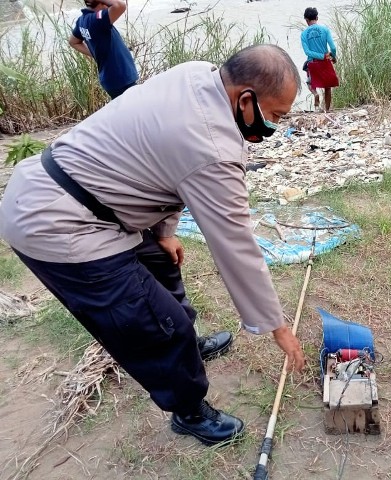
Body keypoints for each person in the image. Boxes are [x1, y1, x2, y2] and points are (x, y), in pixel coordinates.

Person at [0, 44, 306, 446]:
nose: (275, 126)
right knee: (156, 323)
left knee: (163, 267)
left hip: (91, 196)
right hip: (58, 222)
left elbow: (160, 160)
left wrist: (164, 232)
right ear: (246, 98)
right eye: (276, 115)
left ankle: (186, 348)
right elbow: (236, 244)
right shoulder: (212, 147)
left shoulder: (197, 75)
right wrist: (276, 325)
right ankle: (189, 410)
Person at [69, 0, 139, 99]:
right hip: (120, 78)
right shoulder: (97, 19)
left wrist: (95, 54)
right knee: (134, 110)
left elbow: (73, 42)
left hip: (112, 78)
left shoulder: (82, 21)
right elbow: (120, 6)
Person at [301, 7, 338, 111]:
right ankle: (327, 110)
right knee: (327, 87)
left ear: (306, 20)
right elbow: (333, 48)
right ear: (317, 17)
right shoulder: (325, 30)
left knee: (310, 83)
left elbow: (307, 52)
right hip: (325, 61)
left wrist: (318, 56)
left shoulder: (304, 34)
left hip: (312, 62)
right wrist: (332, 57)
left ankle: (315, 94)